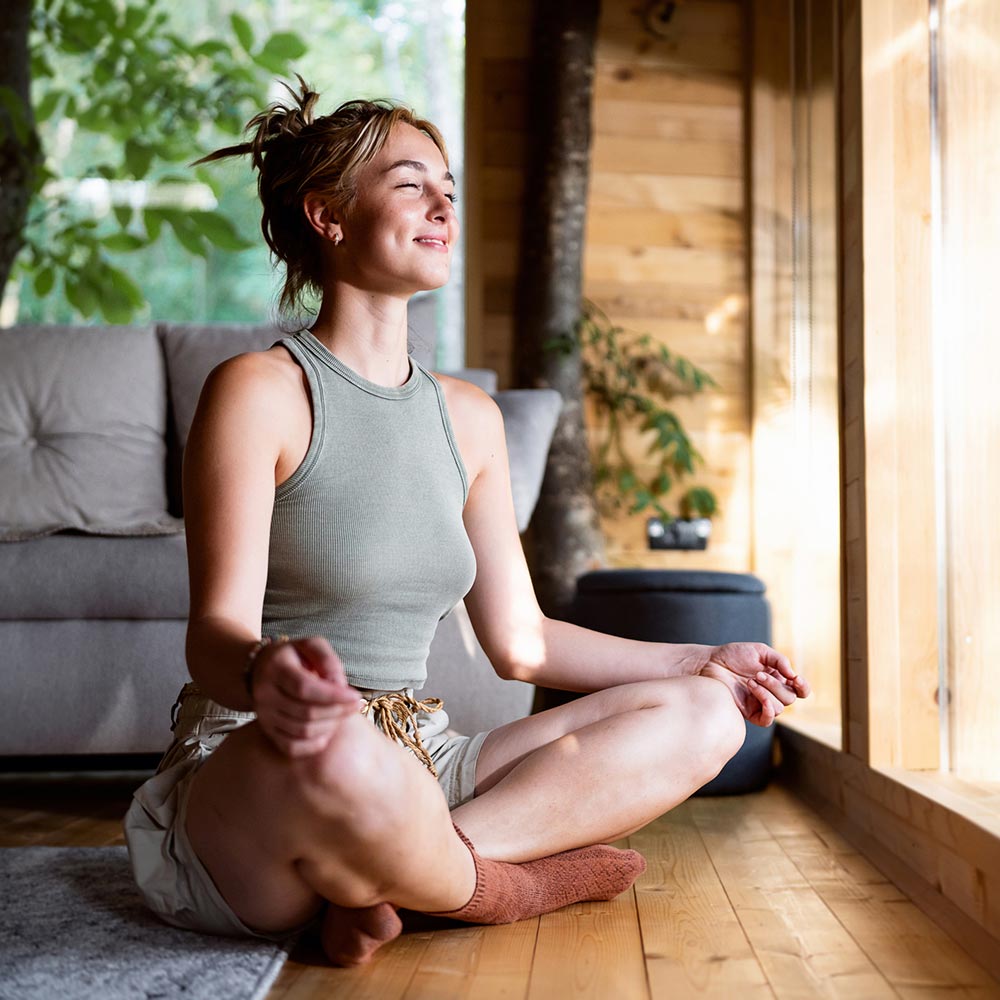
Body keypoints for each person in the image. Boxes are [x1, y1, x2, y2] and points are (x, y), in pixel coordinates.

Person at [122, 78, 811, 968]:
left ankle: (399, 882)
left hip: (426, 756)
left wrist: (701, 661)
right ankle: (498, 884)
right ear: (328, 215)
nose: (444, 201)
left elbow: (520, 644)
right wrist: (268, 676)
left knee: (709, 719)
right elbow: (212, 637)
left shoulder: (469, 419)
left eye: (449, 185)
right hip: (270, 762)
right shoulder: (260, 393)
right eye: (411, 183)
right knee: (346, 761)